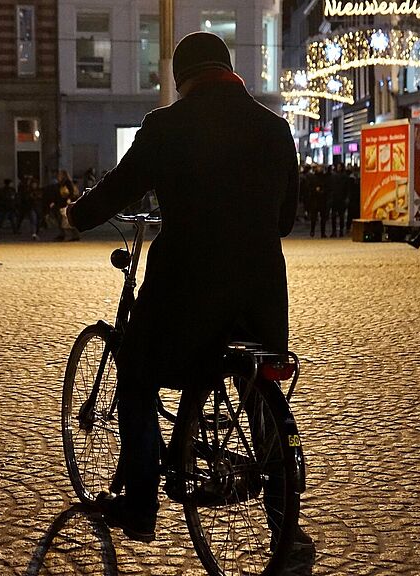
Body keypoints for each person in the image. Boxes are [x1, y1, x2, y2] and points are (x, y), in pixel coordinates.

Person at [67, 31, 298, 542]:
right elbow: (286, 219)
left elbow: (119, 186)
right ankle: (283, 510)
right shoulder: (274, 128)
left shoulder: (166, 127)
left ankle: (140, 505)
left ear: (182, 78)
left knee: (135, 372)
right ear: (229, 70)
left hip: (187, 290)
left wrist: (75, 214)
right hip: (261, 292)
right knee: (257, 384)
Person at [52, 169, 79, 241]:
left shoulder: (66, 183)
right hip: (61, 203)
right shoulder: (61, 183)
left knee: (66, 220)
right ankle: (67, 235)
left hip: (65, 204)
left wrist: (69, 199)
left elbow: (71, 192)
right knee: (63, 220)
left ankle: (70, 235)